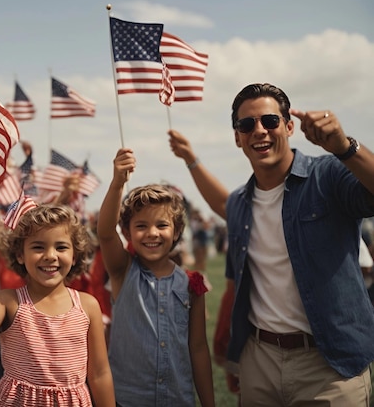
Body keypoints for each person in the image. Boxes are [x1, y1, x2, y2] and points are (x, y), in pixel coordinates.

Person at [170, 82, 374, 405]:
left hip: (330, 366)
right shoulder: (241, 203)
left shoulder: (329, 177)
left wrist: (344, 147)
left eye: (270, 121)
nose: (259, 131)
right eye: (246, 124)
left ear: (289, 126)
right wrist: (191, 160)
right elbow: (222, 203)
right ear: (237, 138)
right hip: (259, 361)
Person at [0, 204, 115, 406]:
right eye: (38, 247)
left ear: (75, 255)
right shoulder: (7, 302)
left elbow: (99, 373)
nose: (50, 255)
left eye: (61, 247)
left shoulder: (88, 306)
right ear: (20, 254)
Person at [97, 148, 215, 407]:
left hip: (177, 400)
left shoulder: (192, 284)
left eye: (162, 225)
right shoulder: (123, 270)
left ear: (176, 232)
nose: (152, 233)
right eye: (141, 226)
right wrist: (118, 183)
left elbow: (197, 349)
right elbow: (105, 232)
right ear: (127, 233)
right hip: (127, 400)